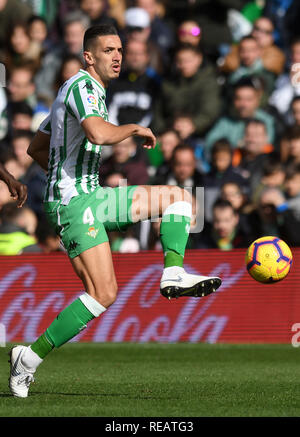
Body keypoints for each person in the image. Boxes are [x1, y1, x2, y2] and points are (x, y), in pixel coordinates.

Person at [9, 24, 222, 398]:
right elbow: (97, 133)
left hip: (93, 194)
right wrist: (134, 128)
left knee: (181, 198)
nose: (118, 56)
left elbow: (37, 149)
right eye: (108, 50)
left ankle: (173, 272)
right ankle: (27, 358)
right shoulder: (80, 87)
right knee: (103, 293)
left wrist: (62, 170)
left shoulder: (81, 92)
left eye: (120, 49)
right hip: (74, 204)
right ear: (88, 56)